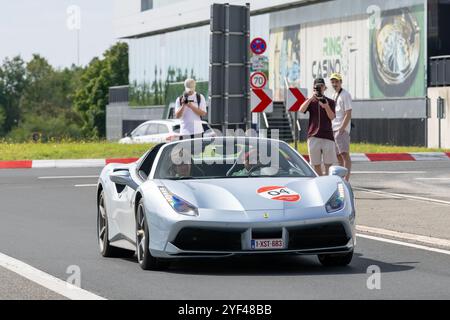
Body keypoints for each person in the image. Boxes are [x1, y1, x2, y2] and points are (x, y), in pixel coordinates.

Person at [299, 78, 337, 176]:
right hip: (313, 136)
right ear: (314, 88)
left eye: (321, 86)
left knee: (329, 164)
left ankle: (328, 182)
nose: (320, 88)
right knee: (316, 164)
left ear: (325, 87)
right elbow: (301, 110)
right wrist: (311, 98)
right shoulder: (311, 101)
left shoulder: (330, 102)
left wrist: (326, 106)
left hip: (327, 136)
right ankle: (320, 182)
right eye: (317, 87)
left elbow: (332, 117)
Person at [330, 73, 352, 181]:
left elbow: (348, 113)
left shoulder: (345, 95)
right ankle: (341, 178)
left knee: (344, 155)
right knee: (338, 156)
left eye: (336, 81)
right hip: (334, 128)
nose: (334, 84)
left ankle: (346, 180)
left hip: (341, 129)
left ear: (341, 82)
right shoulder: (334, 95)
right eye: (333, 82)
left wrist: (342, 129)